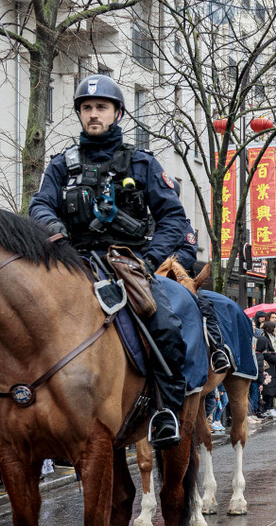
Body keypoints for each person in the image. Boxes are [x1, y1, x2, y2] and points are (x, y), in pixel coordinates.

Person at [30, 74, 201, 447]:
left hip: (127, 263)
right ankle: (16, 406)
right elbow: (39, 204)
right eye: (87, 108)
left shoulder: (142, 164)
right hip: (72, 261)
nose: (93, 114)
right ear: (79, 114)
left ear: (117, 113)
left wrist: (149, 258)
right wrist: (53, 227)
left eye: (101, 108)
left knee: (166, 324)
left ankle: (166, 412)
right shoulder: (60, 165)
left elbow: (174, 218)